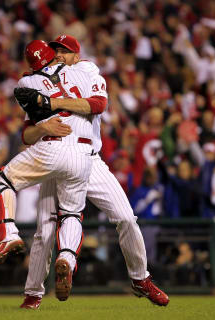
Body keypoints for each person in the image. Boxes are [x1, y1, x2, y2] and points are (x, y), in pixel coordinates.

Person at [19, 35, 169, 309]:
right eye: (56, 51)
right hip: (56, 158)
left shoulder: (85, 71)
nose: (60, 55)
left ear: (77, 56)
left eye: (65, 51)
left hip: (90, 158)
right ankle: (33, 294)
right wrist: (42, 122)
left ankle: (140, 279)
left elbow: (98, 104)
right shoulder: (40, 82)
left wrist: (53, 104)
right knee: (44, 231)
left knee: (126, 218)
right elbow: (27, 134)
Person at [0, 40, 106, 300]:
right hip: (84, 154)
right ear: (54, 56)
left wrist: (48, 106)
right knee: (72, 213)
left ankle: (8, 234)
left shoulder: (27, 82)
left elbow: (27, 118)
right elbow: (97, 104)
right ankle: (67, 258)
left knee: (0, 179)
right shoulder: (83, 71)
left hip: (52, 149)